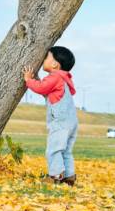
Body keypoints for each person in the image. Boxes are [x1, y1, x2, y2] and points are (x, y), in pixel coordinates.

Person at [23, 46, 78, 186]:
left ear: (55, 64)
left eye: (47, 57)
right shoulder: (64, 79)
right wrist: (38, 79)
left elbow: (41, 88)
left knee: (54, 149)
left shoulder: (55, 77)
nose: (43, 59)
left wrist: (29, 80)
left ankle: (55, 176)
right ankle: (69, 176)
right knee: (66, 151)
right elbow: (46, 91)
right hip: (71, 123)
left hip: (60, 122)